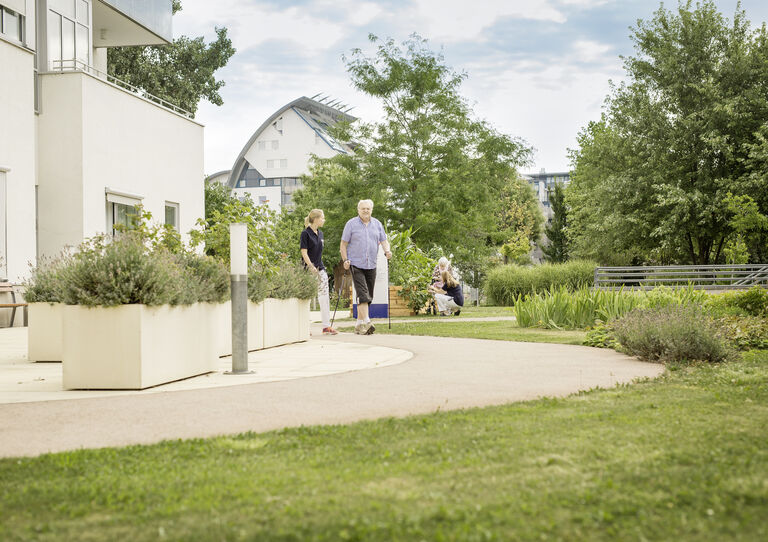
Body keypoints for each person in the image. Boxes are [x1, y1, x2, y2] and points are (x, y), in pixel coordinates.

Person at [340, 199, 392, 335]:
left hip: (371, 264)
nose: (365, 211)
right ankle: (368, 322)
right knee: (363, 294)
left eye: (368, 208)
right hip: (355, 264)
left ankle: (358, 325)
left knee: (368, 296)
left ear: (371, 210)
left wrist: (387, 251)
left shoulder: (377, 224)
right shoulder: (351, 224)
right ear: (358, 210)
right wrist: (345, 259)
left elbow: (384, 241)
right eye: (363, 208)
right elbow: (343, 244)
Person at [300, 209, 337, 335]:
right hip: (308, 270)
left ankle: (326, 326)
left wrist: (318, 267)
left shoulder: (320, 234)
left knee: (324, 297)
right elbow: (304, 252)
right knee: (307, 298)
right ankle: (305, 328)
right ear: (315, 219)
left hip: (320, 268)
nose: (324, 220)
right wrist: (310, 266)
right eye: (322, 218)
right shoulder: (305, 233)